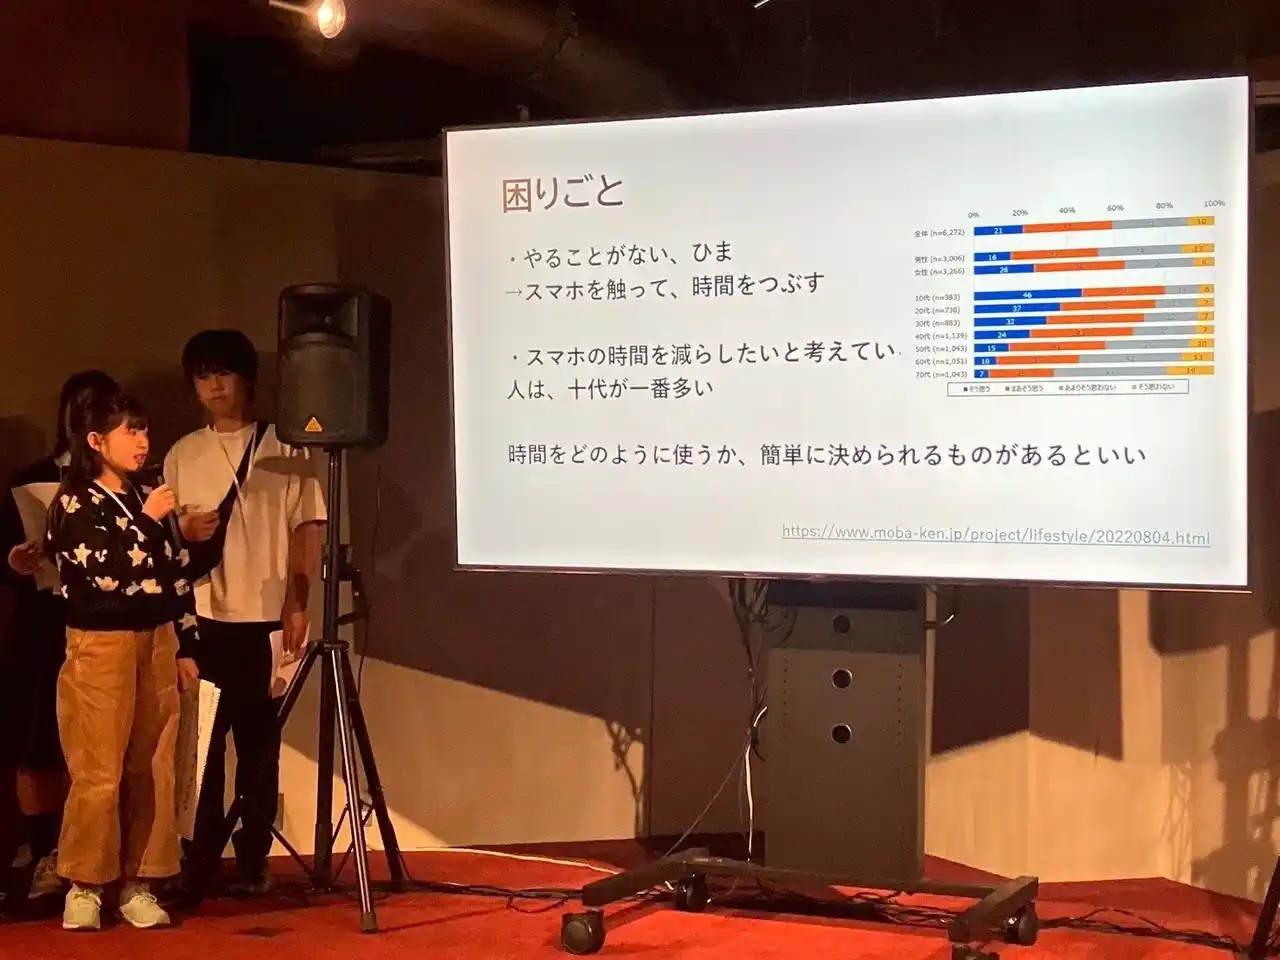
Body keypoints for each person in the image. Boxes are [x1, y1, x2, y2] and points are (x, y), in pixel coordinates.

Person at [165, 329, 325, 897]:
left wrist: (298, 603)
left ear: (247, 379)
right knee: (202, 744)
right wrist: (183, 529)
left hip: (265, 617)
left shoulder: (286, 446)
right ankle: (201, 856)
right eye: (202, 376)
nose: (213, 385)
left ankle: (254, 855)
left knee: (259, 745)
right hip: (203, 617)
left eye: (223, 373)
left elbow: (308, 527)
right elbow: (160, 539)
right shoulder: (183, 453)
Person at [45, 389, 201, 931]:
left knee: (153, 763)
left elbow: (176, 572)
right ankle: (84, 883)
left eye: (144, 429)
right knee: (98, 768)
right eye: (129, 431)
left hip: (155, 638)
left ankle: (140, 881)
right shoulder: (74, 502)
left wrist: (186, 643)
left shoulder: (146, 495)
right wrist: (147, 521)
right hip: (100, 641)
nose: (142, 442)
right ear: (96, 440)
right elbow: (102, 575)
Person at [0, 370, 119, 903]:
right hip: (43, 624)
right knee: (38, 738)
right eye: (79, 406)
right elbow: (6, 551)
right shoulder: (34, 477)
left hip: (104, 620)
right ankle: (42, 847)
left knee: (98, 743)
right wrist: (18, 560)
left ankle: (92, 857)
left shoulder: (125, 480)